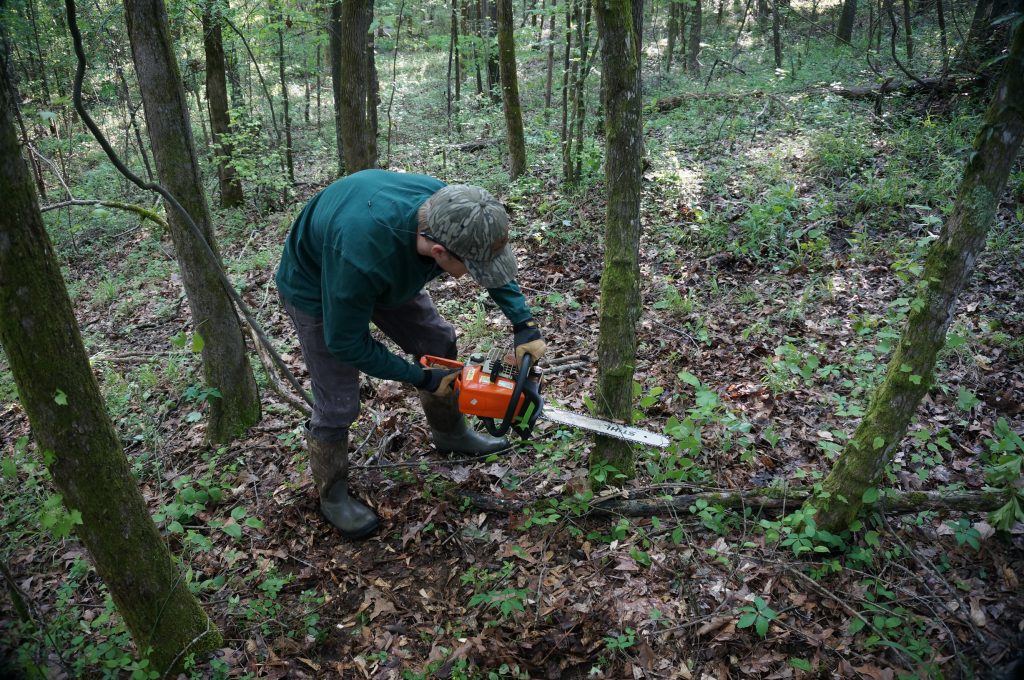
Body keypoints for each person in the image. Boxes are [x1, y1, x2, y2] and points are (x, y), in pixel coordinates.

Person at [276, 169, 546, 539]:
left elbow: (489, 258)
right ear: (439, 253)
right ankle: (333, 494)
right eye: (472, 270)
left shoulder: (456, 208)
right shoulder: (363, 252)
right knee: (338, 404)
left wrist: (523, 323)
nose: (476, 275)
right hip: (318, 284)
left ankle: (449, 433)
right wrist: (420, 377)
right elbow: (347, 343)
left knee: (438, 343)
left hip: (382, 270)